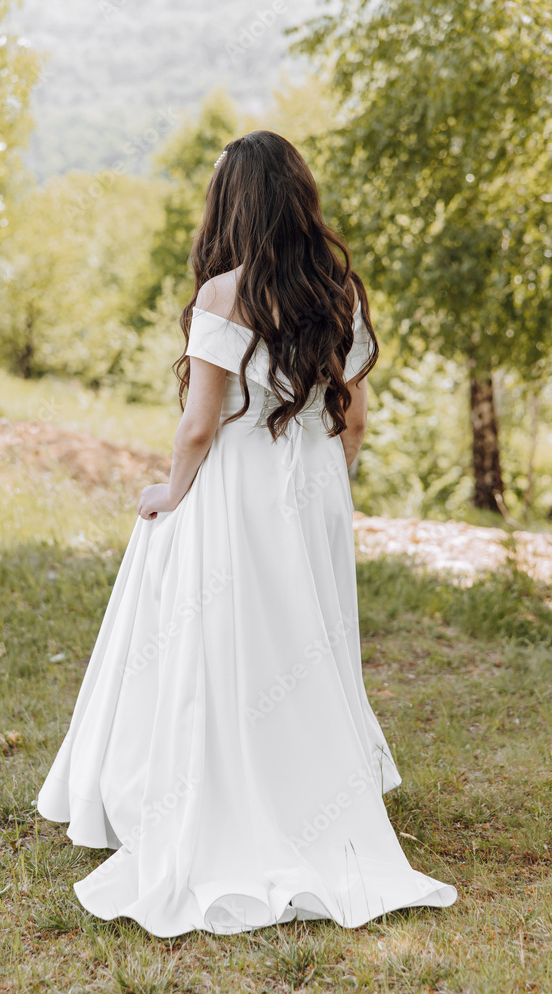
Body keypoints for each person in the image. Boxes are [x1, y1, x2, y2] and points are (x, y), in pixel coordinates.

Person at [34, 130, 457, 937]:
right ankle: (313, 789)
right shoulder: (340, 292)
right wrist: (326, 490)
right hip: (313, 482)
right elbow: (355, 417)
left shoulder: (223, 296)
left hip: (237, 484)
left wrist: (171, 491)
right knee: (308, 640)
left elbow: (198, 427)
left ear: (230, 205)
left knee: (222, 636)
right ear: (299, 198)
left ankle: (216, 789)